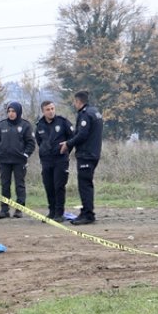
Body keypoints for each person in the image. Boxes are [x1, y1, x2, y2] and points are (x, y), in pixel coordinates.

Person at [59, 91, 103, 226]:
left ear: (79, 102)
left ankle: (88, 215)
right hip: (93, 153)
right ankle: (85, 212)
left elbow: (82, 134)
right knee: (86, 184)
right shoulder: (95, 111)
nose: (74, 104)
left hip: (87, 154)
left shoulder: (85, 114)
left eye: (74, 102)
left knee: (85, 185)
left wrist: (68, 144)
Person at [0, 101, 35, 219]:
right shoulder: (2, 125)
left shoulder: (25, 125)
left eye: (13, 111)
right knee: (5, 185)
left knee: (19, 185)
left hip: (19, 161)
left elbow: (31, 143)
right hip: (4, 160)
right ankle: (4, 210)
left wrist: (25, 155)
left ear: (18, 112)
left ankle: (19, 209)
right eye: (9, 111)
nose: (11, 113)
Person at [35, 100, 74, 222]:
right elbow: (39, 141)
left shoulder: (63, 122)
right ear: (43, 111)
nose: (51, 111)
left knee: (59, 186)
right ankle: (51, 212)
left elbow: (72, 138)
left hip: (60, 160)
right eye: (48, 109)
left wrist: (66, 149)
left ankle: (59, 213)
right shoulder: (39, 125)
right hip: (46, 161)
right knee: (49, 186)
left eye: (52, 108)